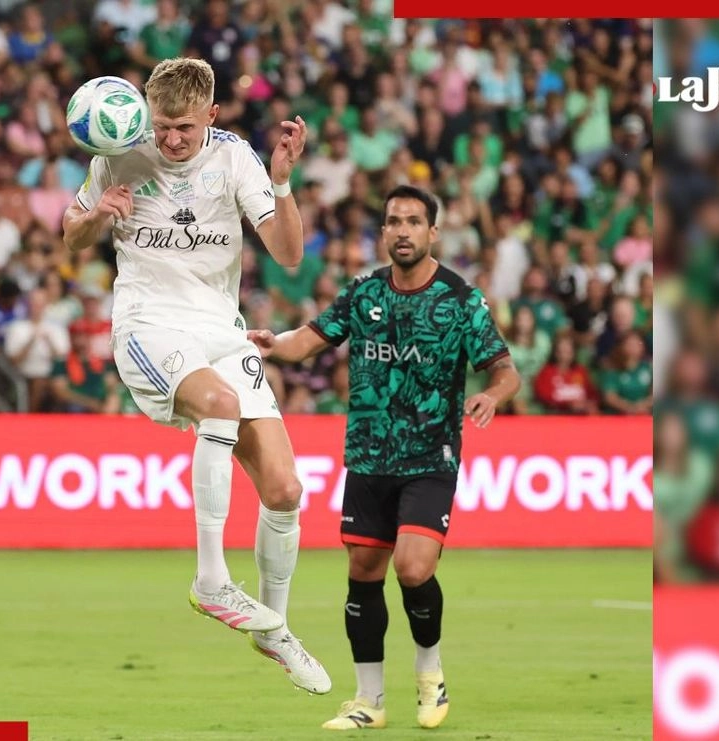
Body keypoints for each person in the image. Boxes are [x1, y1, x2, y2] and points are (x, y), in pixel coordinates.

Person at [61, 58, 330, 694]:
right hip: (148, 324)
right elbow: (71, 237)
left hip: (220, 329)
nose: (170, 140)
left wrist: (284, 183)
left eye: (183, 128)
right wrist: (100, 215)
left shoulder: (236, 159)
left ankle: (274, 628)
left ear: (212, 115)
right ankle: (211, 579)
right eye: (161, 128)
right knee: (219, 402)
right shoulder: (118, 154)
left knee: (288, 491)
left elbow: (289, 256)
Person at [248, 185, 522, 730]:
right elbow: (312, 338)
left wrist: (492, 395)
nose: (402, 231)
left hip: (430, 457)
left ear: (432, 232)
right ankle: (368, 700)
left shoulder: (459, 300)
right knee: (363, 570)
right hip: (369, 457)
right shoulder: (363, 292)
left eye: (413, 222)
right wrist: (271, 344)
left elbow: (505, 369)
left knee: (413, 567)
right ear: (384, 232)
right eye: (393, 221)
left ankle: (430, 673)